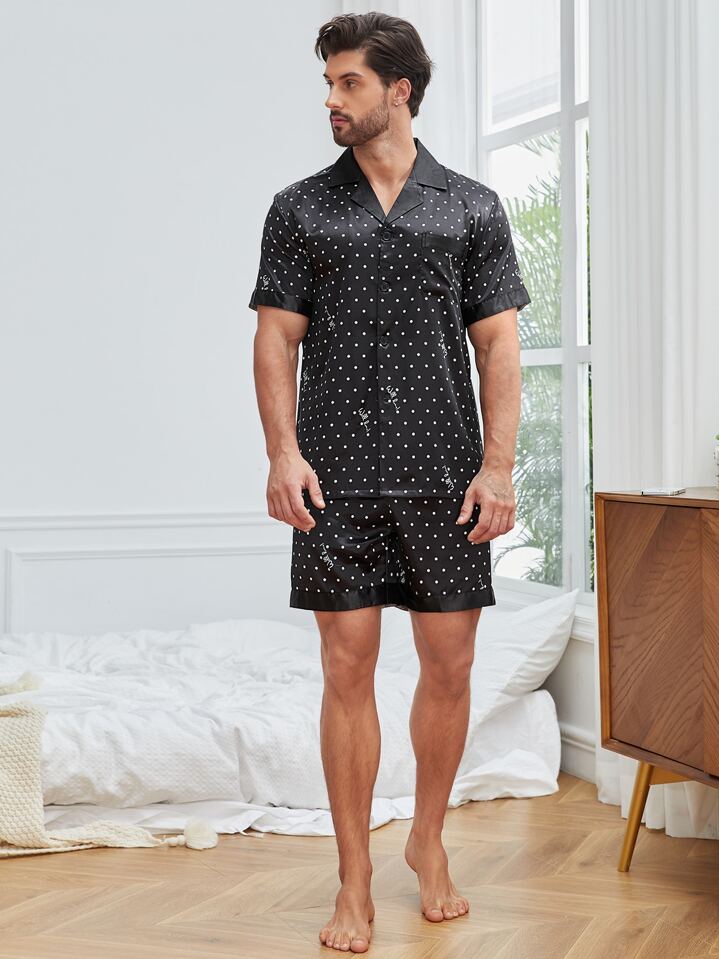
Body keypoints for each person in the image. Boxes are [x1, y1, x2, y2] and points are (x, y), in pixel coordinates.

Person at [249, 11, 531, 954]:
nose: (331, 100)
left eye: (349, 83)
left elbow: (499, 345)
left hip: (446, 480)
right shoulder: (299, 208)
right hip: (332, 481)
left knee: (449, 668)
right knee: (346, 671)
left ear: (399, 91)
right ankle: (354, 874)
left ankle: (428, 839)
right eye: (328, 83)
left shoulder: (472, 208)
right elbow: (275, 338)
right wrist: (282, 453)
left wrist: (498, 467)